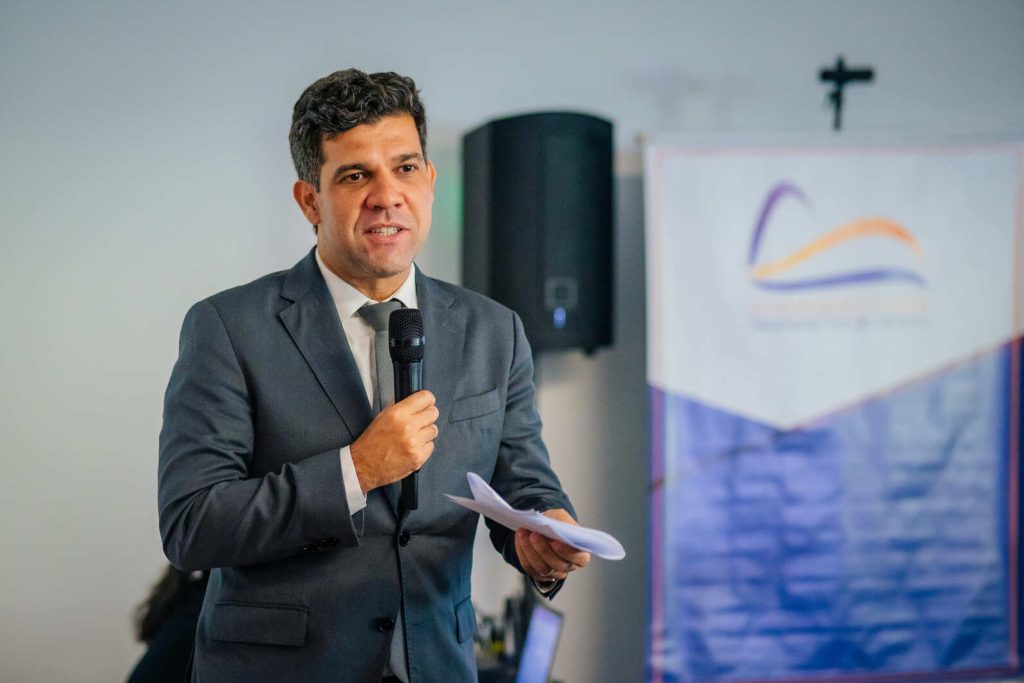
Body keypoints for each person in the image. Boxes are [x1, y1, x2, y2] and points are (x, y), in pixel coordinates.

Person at [157, 68, 590, 682]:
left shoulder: (495, 330)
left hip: (437, 666)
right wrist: (355, 471)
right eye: (356, 175)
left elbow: (524, 485)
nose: (387, 196)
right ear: (310, 200)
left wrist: (545, 540)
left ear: (429, 180)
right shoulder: (229, 327)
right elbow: (192, 525)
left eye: (405, 168)